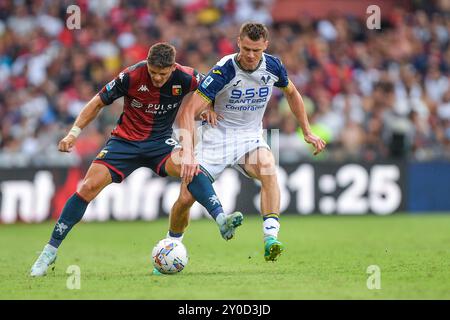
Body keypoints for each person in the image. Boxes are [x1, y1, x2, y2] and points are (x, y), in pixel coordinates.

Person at [30, 43, 243, 277]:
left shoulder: (186, 76)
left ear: (173, 67)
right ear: (147, 65)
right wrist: (73, 133)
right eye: (153, 73)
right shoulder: (131, 76)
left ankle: (221, 219)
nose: (158, 78)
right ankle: (49, 251)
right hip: (124, 143)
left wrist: (209, 107)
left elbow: (212, 91)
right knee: (88, 187)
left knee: (190, 166)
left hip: (160, 143)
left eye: (163, 74)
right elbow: (97, 102)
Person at [170, 23, 326, 262]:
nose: (251, 55)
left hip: (249, 137)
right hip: (216, 138)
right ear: (238, 43)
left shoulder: (273, 66)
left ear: (265, 45)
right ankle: (171, 245)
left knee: (268, 170)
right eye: (246, 49)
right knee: (185, 199)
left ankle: (270, 238)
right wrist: (199, 123)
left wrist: (306, 131)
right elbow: (190, 109)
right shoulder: (224, 69)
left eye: (256, 50)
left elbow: (292, 93)